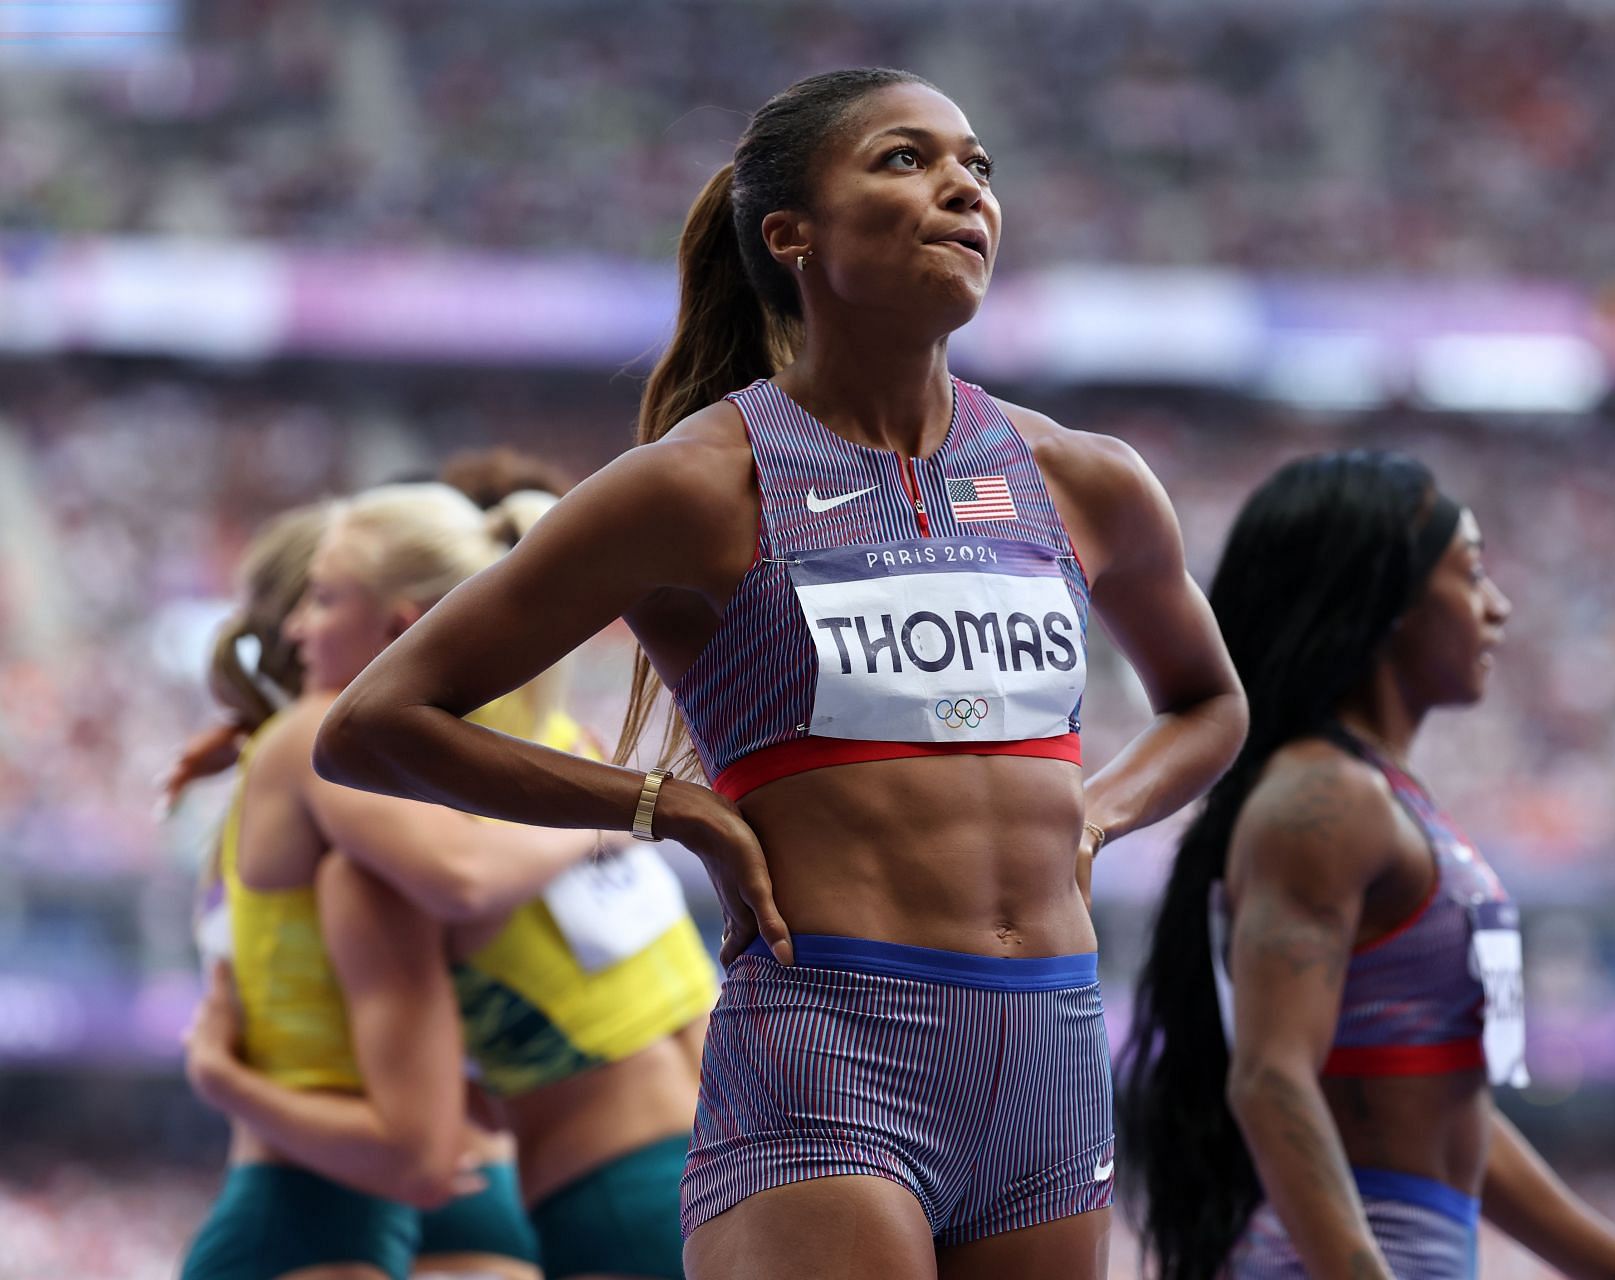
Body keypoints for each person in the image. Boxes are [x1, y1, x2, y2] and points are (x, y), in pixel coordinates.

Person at [311, 67, 1247, 1280]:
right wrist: (664, 806)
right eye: (906, 158)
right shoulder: (698, 484)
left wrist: (1099, 814)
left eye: (978, 165)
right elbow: (376, 722)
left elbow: (1210, 701)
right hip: (830, 1054)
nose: (964, 185)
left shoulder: (1084, 477)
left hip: (1054, 1057)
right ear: (788, 234)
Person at [1119, 451, 1615, 1280]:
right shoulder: (1324, 800)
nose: (1498, 606)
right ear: (1386, 597)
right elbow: (1270, 1078)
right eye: (1471, 573)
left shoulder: (1382, 801)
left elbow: (1450, 1111)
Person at [189, 482, 720, 1280]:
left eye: (325, 601)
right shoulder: (556, 746)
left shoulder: (387, 813)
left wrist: (220, 1079)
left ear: (399, 622)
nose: (302, 629)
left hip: (604, 1185)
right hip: (719, 1144)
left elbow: (459, 878)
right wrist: (616, 811)